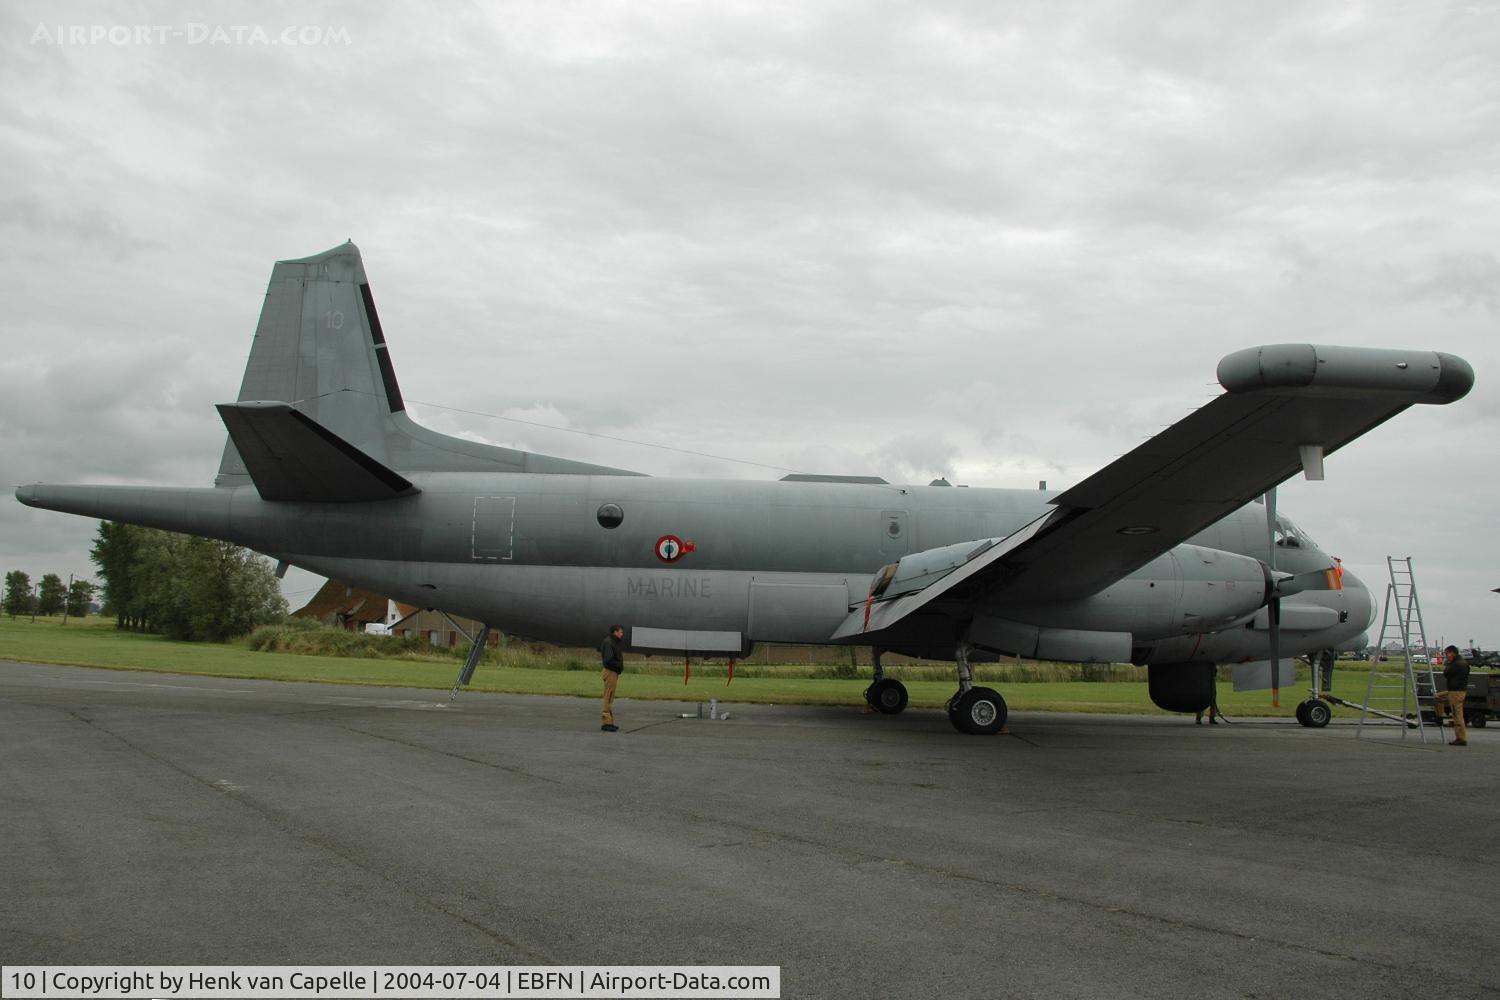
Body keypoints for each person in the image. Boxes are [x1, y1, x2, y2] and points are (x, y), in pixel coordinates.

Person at [1436, 644, 1470, 746]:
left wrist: (1448, 664)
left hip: (1456, 692)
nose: (1446, 656)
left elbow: (1446, 673)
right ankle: (1439, 716)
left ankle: (1461, 738)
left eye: (1447, 654)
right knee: (1438, 696)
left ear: (1452, 653)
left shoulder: (1456, 664)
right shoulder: (1464, 663)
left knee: (1457, 715)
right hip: (1456, 691)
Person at [599, 624, 625, 732]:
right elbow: (608, 660)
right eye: (620, 632)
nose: (622, 634)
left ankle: (609, 722)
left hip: (613, 672)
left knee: (610, 697)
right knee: (608, 697)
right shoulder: (609, 642)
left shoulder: (613, 642)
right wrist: (619, 666)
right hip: (610, 672)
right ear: (615, 632)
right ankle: (606, 722)